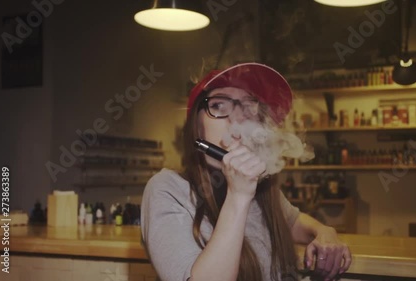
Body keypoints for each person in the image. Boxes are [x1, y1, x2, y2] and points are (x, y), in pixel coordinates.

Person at [141, 62, 351, 281]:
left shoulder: (261, 188)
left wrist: (325, 232)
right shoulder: (168, 189)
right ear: (197, 124)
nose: (236, 119)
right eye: (219, 105)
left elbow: (294, 221)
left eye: (248, 107)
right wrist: (238, 196)